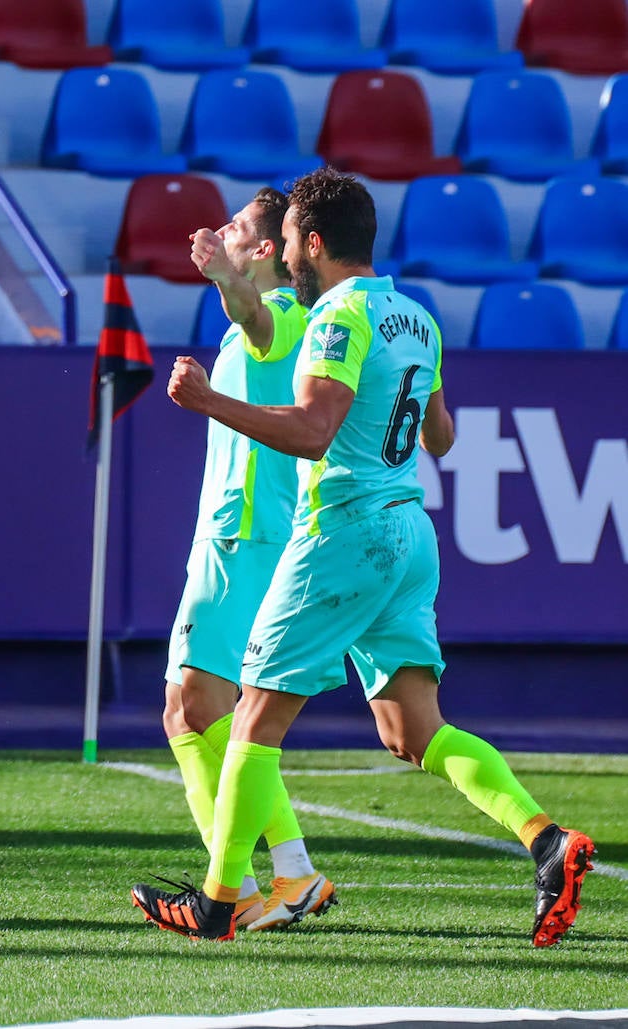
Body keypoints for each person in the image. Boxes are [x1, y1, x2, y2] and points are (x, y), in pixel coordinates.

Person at [157, 167, 594, 945]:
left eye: (289, 238)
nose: (286, 251)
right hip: (409, 528)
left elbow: (314, 431)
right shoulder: (414, 316)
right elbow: (441, 435)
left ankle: (221, 905)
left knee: (253, 718)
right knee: (412, 729)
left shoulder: (335, 318)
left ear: (314, 243)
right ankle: (547, 839)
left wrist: (211, 403)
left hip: (345, 529)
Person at [131, 188, 335, 935]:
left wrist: (223, 277)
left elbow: (252, 313)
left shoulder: (282, 316)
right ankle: (283, 872)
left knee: (194, 709)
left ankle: (276, 874)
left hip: (242, 538)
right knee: (199, 710)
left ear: (263, 252)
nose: (221, 232)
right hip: (237, 536)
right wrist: (226, 278)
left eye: (239, 230)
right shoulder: (277, 322)